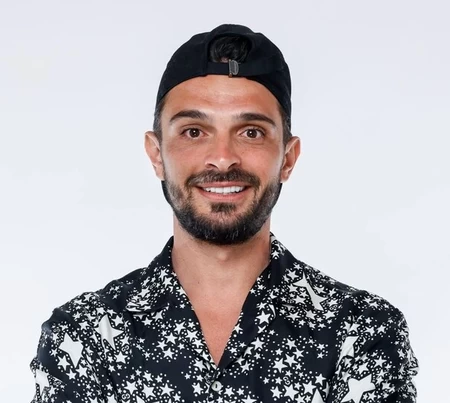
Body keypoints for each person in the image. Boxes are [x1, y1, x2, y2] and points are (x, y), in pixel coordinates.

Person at [30, 24, 418, 403]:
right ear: (156, 154)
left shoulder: (360, 330)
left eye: (251, 132)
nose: (222, 158)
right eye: (194, 131)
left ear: (287, 158)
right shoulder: (86, 335)